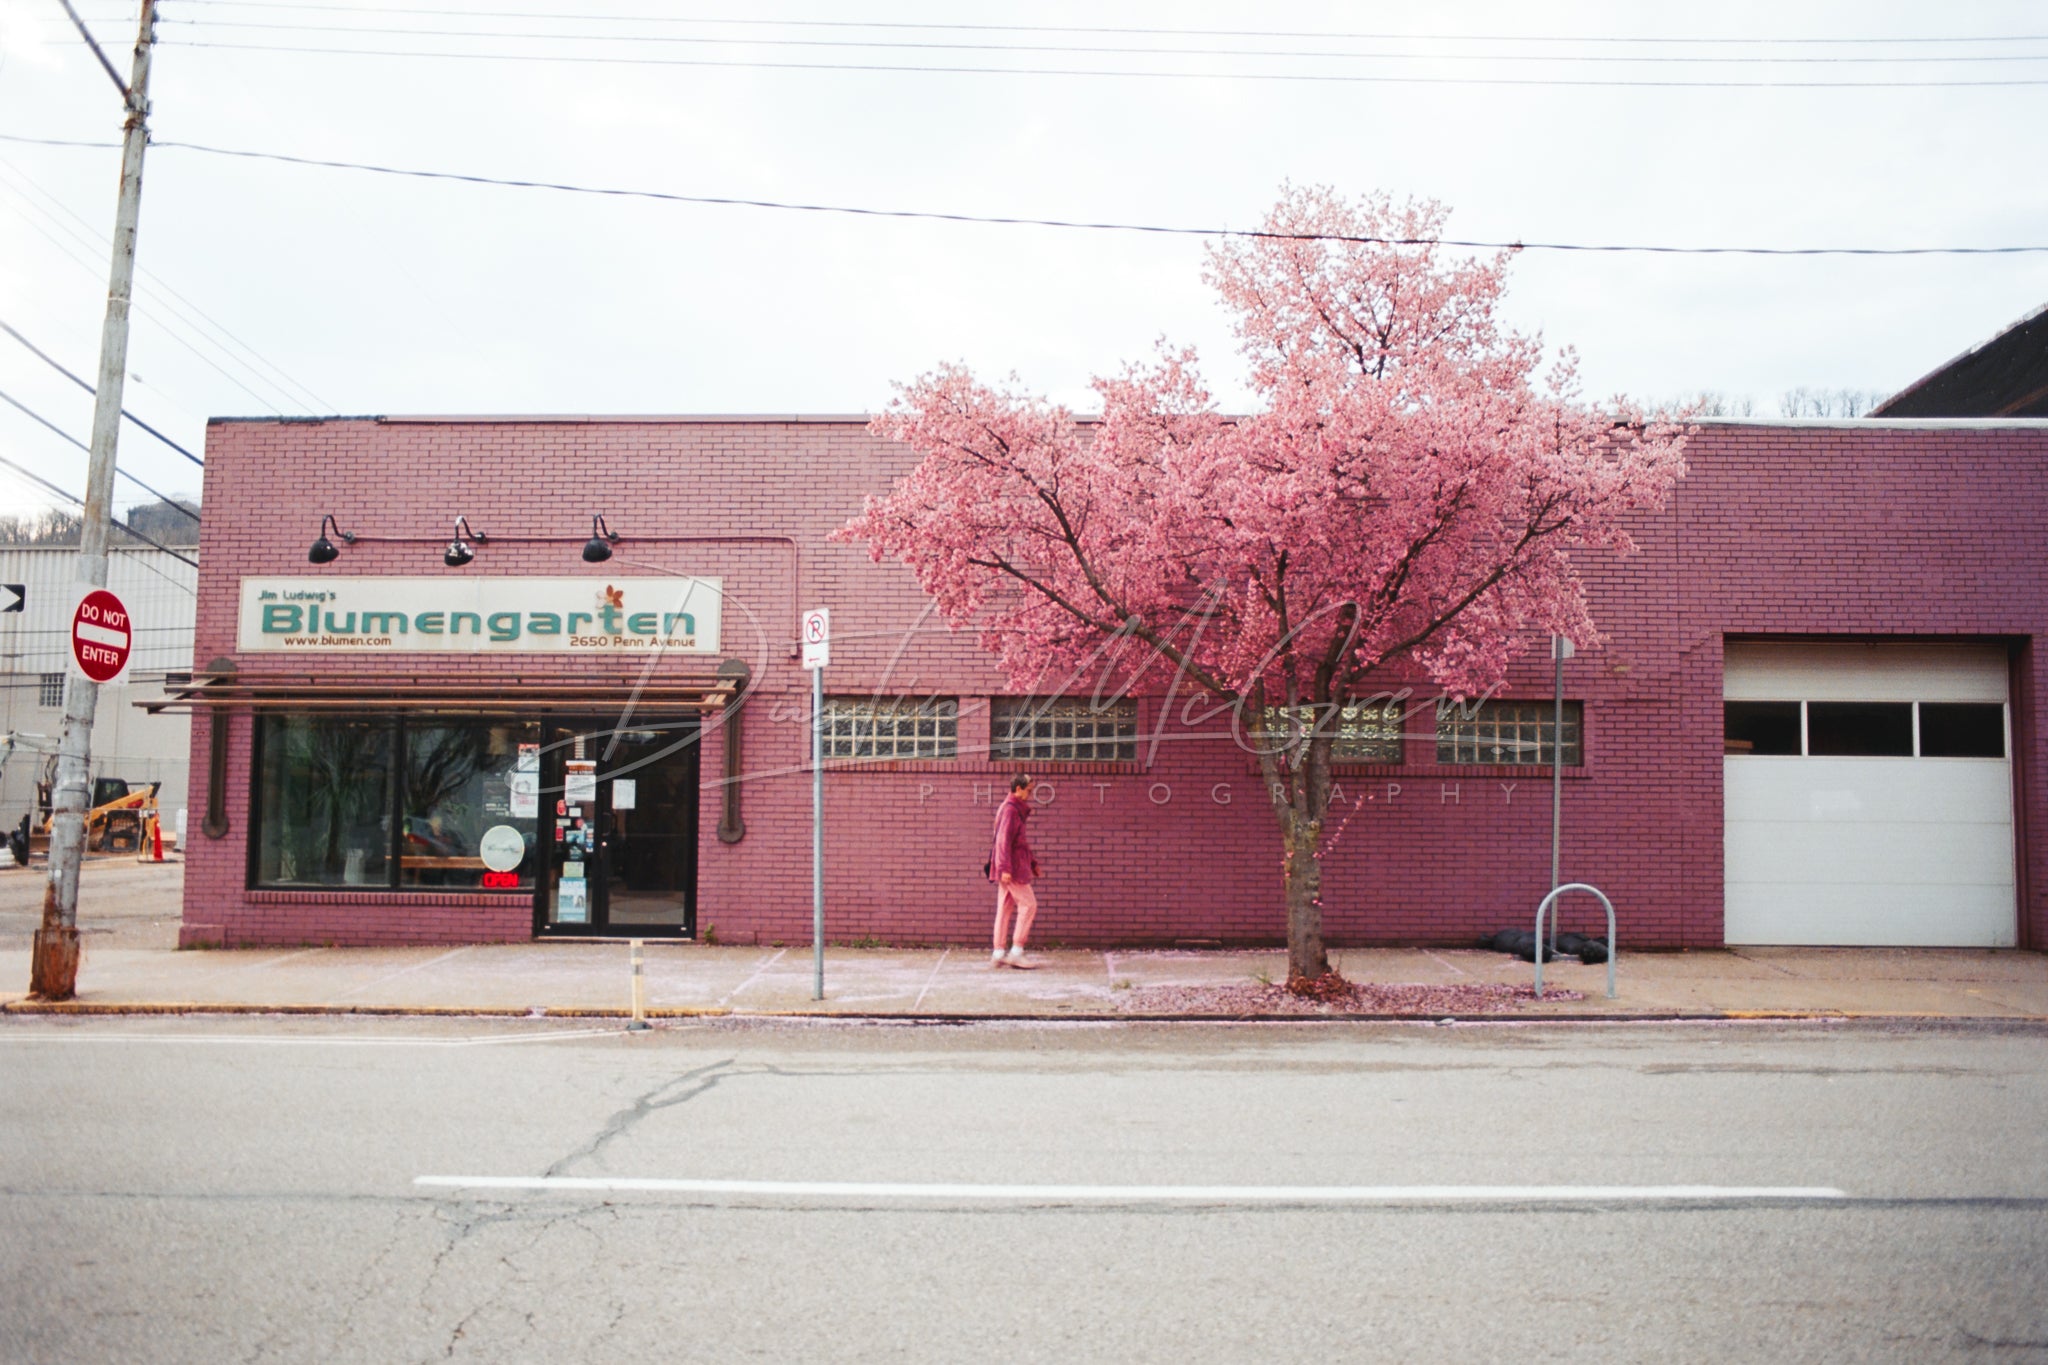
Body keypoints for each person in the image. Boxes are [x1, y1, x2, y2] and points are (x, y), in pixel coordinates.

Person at [988, 772, 1042, 969]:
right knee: (1029, 905)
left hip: (1009, 866)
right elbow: (1003, 841)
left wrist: (1033, 863)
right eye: (1029, 790)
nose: (1031, 794)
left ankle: (999, 953)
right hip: (1012, 868)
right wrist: (1005, 868)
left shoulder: (1010, 809)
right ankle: (1017, 952)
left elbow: (1016, 841)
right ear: (1018, 789)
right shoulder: (1011, 810)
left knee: (1005, 907)